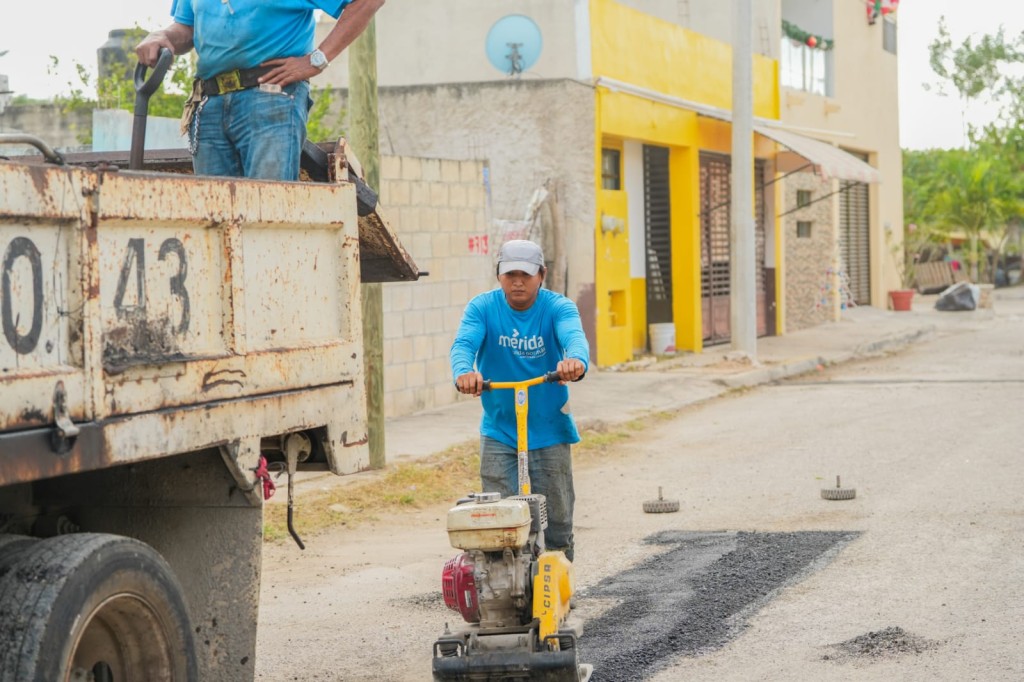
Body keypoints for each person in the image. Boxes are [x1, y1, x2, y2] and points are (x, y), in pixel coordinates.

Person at [450, 240, 590, 561]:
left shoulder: (558, 307)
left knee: (558, 520)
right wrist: (464, 372)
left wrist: (575, 361)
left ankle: (558, 585)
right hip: (500, 430)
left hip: (549, 428)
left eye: (525, 274)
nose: (517, 281)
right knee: (500, 518)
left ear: (541, 275)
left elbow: (574, 337)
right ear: (498, 275)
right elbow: (464, 344)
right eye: (509, 273)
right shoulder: (482, 308)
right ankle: (503, 585)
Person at [135, 0, 384, 180]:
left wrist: (316, 60)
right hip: (209, 104)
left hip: (271, 98)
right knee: (215, 219)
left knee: (268, 212)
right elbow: (186, 28)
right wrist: (161, 36)